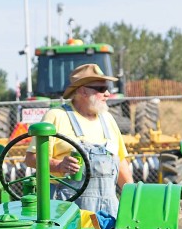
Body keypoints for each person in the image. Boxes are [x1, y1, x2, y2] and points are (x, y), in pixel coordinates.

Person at [25, 63, 133, 217]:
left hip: (108, 212)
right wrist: (59, 165)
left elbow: (121, 162)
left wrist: (135, 196)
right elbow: (31, 159)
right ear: (82, 91)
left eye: (107, 88)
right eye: (101, 89)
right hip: (66, 214)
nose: (108, 94)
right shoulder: (56, 116)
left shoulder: (108, 119)